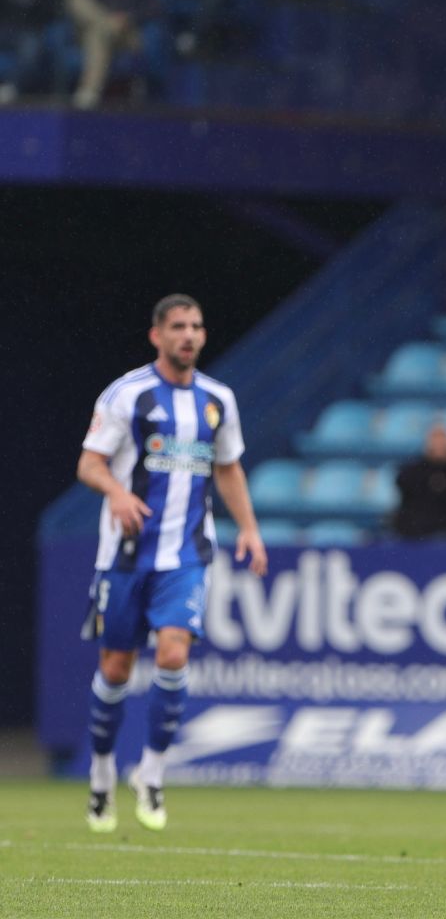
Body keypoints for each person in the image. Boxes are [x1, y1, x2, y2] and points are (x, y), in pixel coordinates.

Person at [76, 295, 267, 833]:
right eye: (179, 326)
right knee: (115, 667)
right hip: (126, 553)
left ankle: (152, 772)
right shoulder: (127, 395)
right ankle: (100, 773)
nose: (189, 335)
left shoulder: (218, 401)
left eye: (197, 326)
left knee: (174, 651)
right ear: (156, 335)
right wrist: (115, 491)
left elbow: (227, 469)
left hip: (186, 553)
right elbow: (89, 464)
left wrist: (249, 528)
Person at [393, 423, 446, 539]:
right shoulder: (412, 471)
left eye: (443, 438)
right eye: (435, 438)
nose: (440, 444)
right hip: (414, 530)